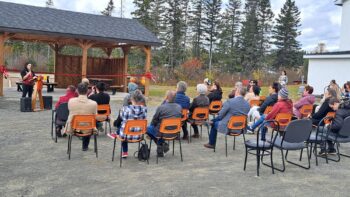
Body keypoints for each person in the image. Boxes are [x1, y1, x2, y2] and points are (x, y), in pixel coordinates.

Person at [147, 91, 182, 157]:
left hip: (162, 132)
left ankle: (161, 145)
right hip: (175, 132)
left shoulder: (161, 107)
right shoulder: (179, 107)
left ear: (166, 97)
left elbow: (154, 120)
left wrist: (152, 126)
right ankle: (162, 145)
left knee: (147, 129)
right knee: (159, 128)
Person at [113, 91, 147, 158]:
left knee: (124, 126)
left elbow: (121, 118)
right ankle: (116, 133)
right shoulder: (144, 109)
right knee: (125, 126)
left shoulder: (125, 108)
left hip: (126, 136)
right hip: (139, 135)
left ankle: (125, 152)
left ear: (132, 99)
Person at [65, 83, 98, 151]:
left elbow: (70, 111)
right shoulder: (94, 103)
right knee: (89, 122)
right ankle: (85, 146)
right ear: (87, 91)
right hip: (88, 128)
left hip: (73, 127)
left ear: (77, 91)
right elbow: (95, 116)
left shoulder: (71, 101)